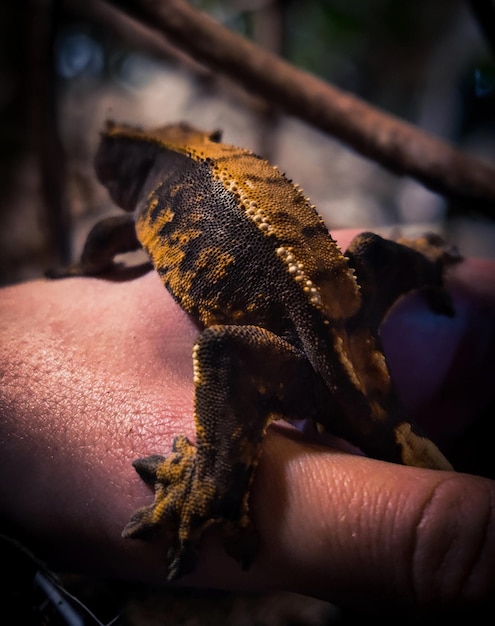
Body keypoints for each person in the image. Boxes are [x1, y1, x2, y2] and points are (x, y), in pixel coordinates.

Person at [0, 229, 494, 618]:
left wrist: (214, 478)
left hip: (318, 368)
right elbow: (369, 252)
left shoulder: (145, 202)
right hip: (352, 344)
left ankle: (213, 491)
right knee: (365, 254)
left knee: (221, 353)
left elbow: (219, 347)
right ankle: (428, 265)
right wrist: (425, 263)